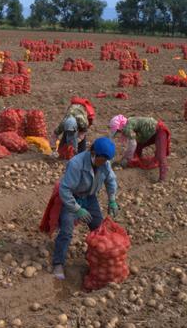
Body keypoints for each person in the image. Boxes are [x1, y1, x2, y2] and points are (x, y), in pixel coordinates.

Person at [45, 138, 118, 280]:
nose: (103, 163)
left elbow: (110, 181)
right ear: (93, 153)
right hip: (72, 197)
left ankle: (94, 256)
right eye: (101, 160)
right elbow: (65, 190)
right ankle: (58, 263)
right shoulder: (76, 164)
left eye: (105, 160)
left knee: (98, 227)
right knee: (66, 231)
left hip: (90, 197)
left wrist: (112, 200)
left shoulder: (105, 163)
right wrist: (77, 209)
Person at [109, 115, 171, 183]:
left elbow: (132, 145)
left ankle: (162, 179)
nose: (119, 133)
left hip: (159, 131)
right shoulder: (128, 123)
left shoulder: (127, 127)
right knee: (138, 146)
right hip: (150, 133)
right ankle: (138, 160)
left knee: (161, 155)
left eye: (118, 131)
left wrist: (126, 159)